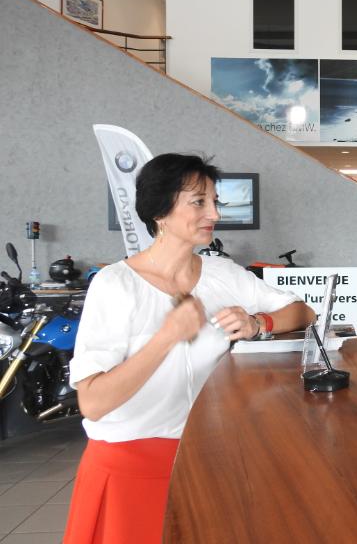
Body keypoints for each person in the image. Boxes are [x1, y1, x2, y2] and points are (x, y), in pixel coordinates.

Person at [63, 154, 316, 544]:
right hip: (132, 470)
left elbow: (304, 311)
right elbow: (93, 403)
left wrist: (258, 323)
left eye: (215, 201)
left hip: (212, 456)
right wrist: (166, 337)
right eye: (199, 202)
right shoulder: (115, 285)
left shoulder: (222, 273)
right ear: (160, 212)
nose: (214, 213)